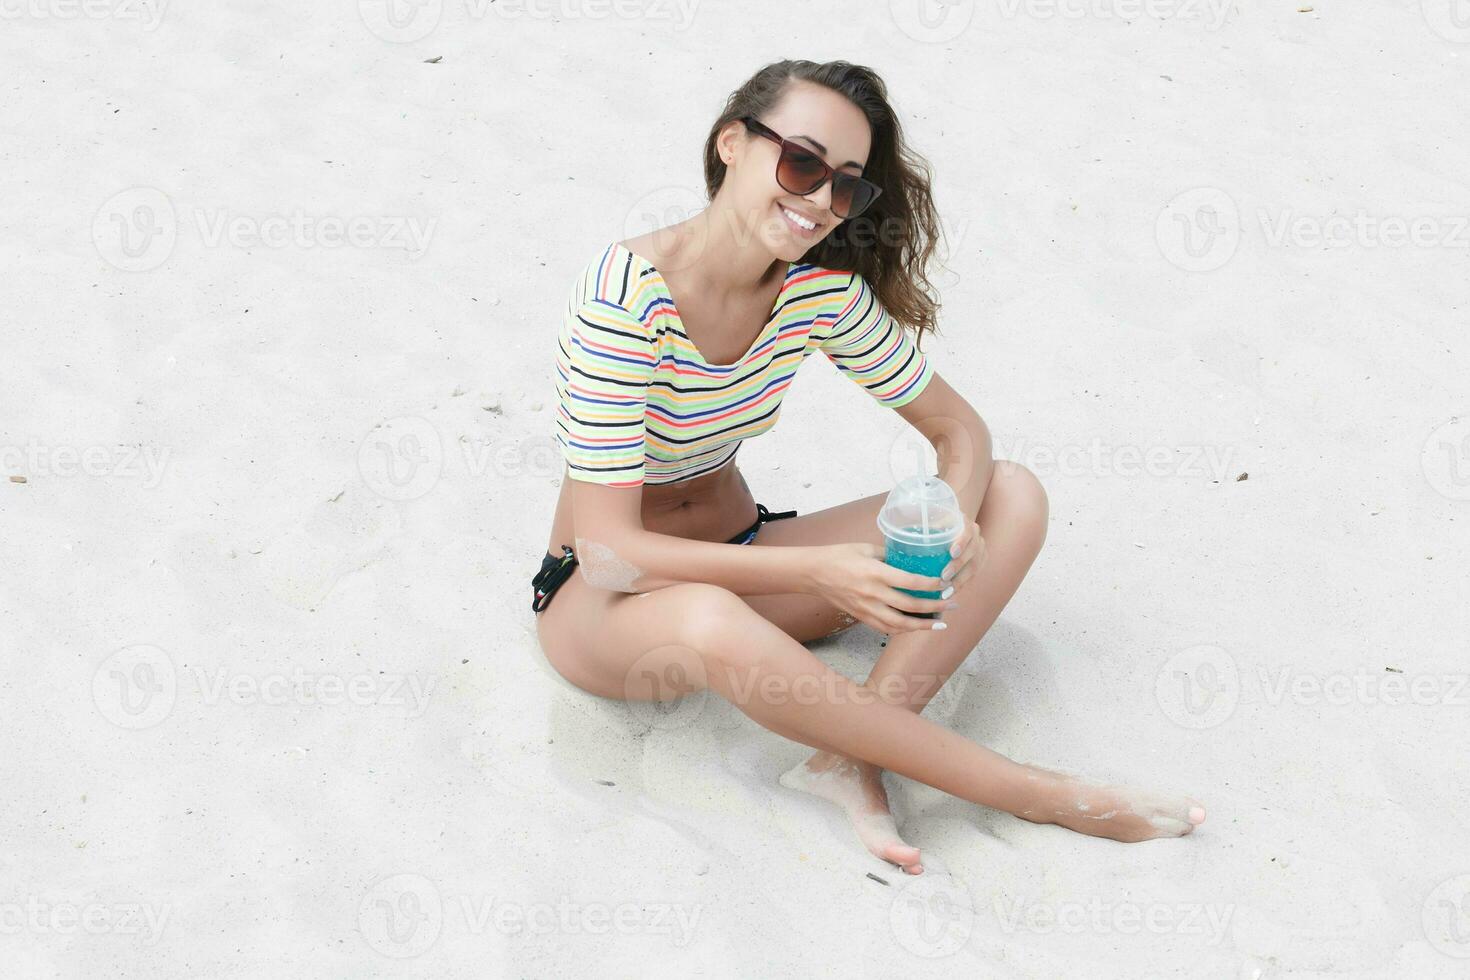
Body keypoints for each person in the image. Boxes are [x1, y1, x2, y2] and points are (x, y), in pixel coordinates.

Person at [533, 58, 1205, 876]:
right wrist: (826, 568)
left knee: (1010, 495)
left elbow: (960, 431)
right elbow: (611, 552)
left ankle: (849, 758)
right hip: (606, 603)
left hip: (749, 562)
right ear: (731, 145)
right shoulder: (623, 300)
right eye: (802, 162)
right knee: (706, 614)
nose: (818, 200)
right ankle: (1031, 792)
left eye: (845, 185)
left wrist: (955, 520)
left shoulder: (815, 292)